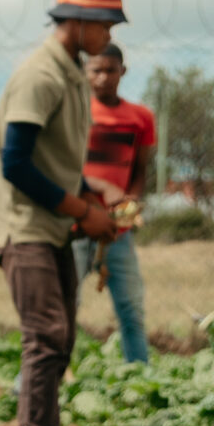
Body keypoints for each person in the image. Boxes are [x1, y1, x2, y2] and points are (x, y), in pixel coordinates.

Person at [0, 0, 125, 426]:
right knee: (46, 334)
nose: (109, 36)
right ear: (76, 23)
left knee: (60, 335)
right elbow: (16, 163)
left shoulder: (70, 72)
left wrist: (90, 197)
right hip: (21, 225)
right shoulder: (41, 75)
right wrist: (82, 210)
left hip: (47, 223)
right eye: (105, 25)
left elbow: (52, 159)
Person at [75, 43, 154, 363]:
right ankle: (42, 380)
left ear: (123, 71)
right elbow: (65, 168)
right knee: (61, 309)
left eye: (111, 70)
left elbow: (140, 170)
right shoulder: (76, 113)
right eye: (96, 70)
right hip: (77, 225)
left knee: (131, 312)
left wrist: (131, 201)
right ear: (85, 72)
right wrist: (100, 189)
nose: (104, 77)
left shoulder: (141, 117)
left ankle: (141, 379)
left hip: (118, 233)